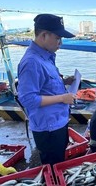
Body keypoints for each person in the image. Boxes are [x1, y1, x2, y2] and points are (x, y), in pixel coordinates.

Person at [17, 14, 76, 166]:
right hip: (48, 129)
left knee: (59, 162)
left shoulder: (46, 57)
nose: (60, 43)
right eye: (57, 38)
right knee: (52, 166)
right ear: (44, 35)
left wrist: (64, 81)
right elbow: (28, 99)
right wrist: (62, 98)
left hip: (58, 121)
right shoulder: (31, 62)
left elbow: (44, 85)